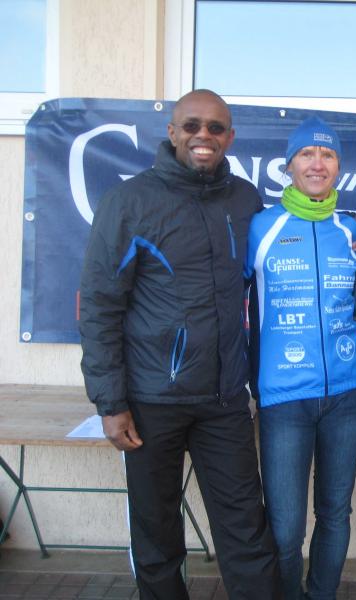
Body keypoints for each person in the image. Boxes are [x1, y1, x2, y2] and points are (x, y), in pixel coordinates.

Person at [79, 89, 281, 600]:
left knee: (246, 531)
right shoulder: (129, 202)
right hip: (151, 402)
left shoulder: (244, 200)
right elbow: (100, 306)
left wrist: (355, 227)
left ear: (230, 137)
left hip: (224, 400)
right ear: (172, 133)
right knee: (157, 535)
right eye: (191, 126)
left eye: (215, 128)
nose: (203, 136)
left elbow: (283, 248)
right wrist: (111, 403)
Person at [246, 116, 356, 600]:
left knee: (335, 514)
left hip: (349, 393)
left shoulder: (355, 229)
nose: (317, 164)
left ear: (338, 166)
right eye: (306, 154)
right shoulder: (261, 227)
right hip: (284, 398)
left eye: (328, 155)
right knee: (284, 529)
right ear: (289, 165)